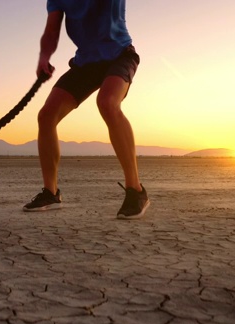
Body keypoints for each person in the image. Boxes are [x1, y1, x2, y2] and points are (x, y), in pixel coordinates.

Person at [23, 0, 150, 219]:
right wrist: (44, 57)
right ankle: (51, 193)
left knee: (107, 103)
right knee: (46, 116)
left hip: (120, 56)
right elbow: (52, 31)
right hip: (85, 64)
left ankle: (136, 190)